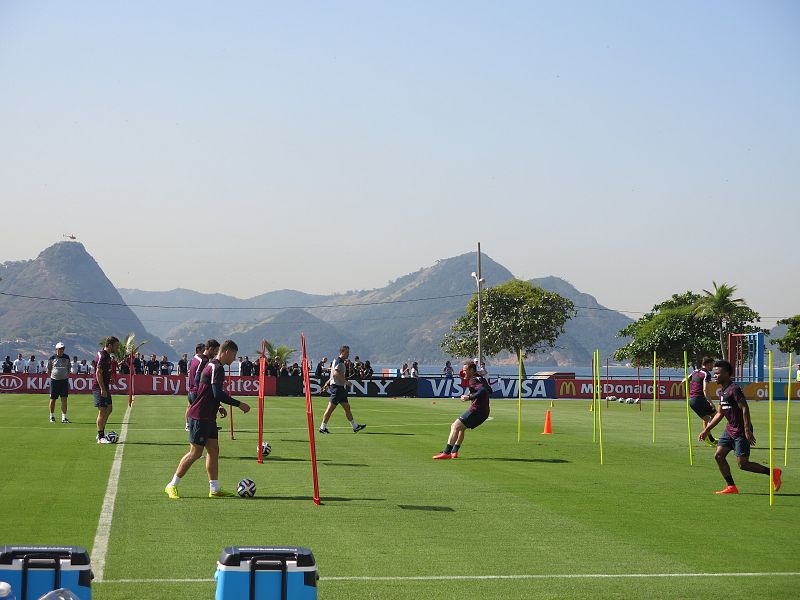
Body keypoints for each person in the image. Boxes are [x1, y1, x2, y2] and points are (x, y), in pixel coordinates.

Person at [164, 339, 251, 499]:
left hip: (208, 416)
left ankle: (214, 489)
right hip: (200, 416)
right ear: (226, 352)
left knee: (213, 450)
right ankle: (172, 485)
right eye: (234, 354)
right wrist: (239, 404)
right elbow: (217, 393)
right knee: (195, 453)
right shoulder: (216, 367)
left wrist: (218, 407)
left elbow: (209, 392)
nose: (234, 359)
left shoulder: (212, 366)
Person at [699, 360, 782, 494]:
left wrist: (747, 429)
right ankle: (731, 487)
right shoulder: (723, 392)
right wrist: (707, 430)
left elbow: (745, 408)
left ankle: (773, 473)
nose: (715, 376)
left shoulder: (734, 389)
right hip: (729, 430)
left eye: (717, 373)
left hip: (741, 431)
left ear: (726, 374)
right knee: (718, 456)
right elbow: (720, 413)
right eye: (714, 373)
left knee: (743, 464)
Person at [433, 360, 491, 460]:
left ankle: (447, 452)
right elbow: (489, 390)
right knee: (461, 428)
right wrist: (471, 395)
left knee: (455, 426)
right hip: (484, 412)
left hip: (477, 411)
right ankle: (454, 451)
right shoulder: (480, 378)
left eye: (465, 370)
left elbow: (483, 390)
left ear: (472, 370)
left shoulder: (473, 380)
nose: (463, 372)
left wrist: (469, 397)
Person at [318, 345, 366, 434]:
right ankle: (322, 428)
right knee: (330, 409)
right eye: (347, 352)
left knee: (347, 407)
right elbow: (335, 374)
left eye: (348, 352)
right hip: (337, 389)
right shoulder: (339, 362)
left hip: (339, 388)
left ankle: (355, 426)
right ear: (342, 352)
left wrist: (326, 384)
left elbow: (332, 375)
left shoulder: (336, 361)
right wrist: (346, 382)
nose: (348, 354)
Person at [684, 357, 717, 446]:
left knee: (707, 418)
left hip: (692, 400)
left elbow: (684, 380)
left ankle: (709, 438)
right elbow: (705, 389)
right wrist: (710, 402)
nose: (713, 367)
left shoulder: (695, 371)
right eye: (712, 364)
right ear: (708, 364)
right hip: (699, 399)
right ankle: (706, 435)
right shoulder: (706, 374)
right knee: (715, 415)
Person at [93, 336, 120, 444]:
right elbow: (98, 373)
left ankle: (101, 432)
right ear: (109, 345)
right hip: (99, 388)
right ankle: (100, 436)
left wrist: (109, 379)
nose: (117, 348)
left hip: (105, 387)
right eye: (116, 346)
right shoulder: (103, 356)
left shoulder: (108, 356)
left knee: (109, 409)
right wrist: (102, 389)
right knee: (103, 411)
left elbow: (103, 372)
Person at [47, 342, 72, 423]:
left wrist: (65, 376)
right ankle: (52, 416)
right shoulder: (51, 358)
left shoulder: (67, 357)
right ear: (56, 349)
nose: (62, 350)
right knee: (53, 399)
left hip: (64, 381)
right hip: (54, 381)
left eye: (63, 348)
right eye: (60, 348)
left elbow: (68, 369)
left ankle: (64, 417)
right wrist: (53, 377)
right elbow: (49, 370)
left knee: (64, 399)